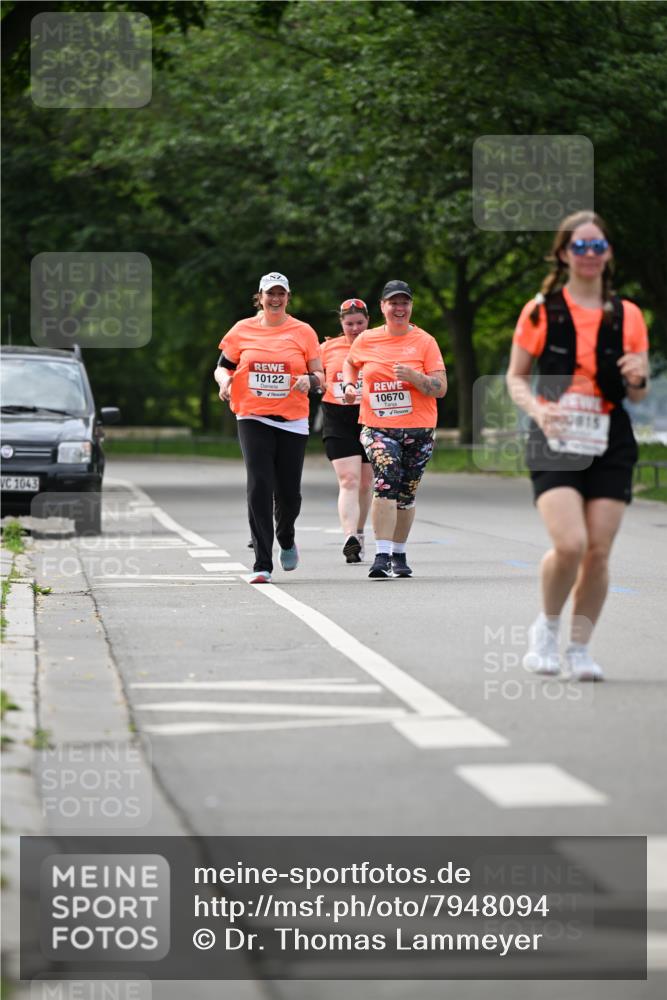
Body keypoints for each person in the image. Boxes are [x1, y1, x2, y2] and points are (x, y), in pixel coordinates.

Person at [507, 211, 649, 680]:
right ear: (565, 253)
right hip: (555, 434)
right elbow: (516, 379)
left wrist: (637, 377)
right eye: (580, 247)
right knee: (570, 544)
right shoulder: (540, 310)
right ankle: (546, 629)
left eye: (598, 246)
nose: (589, 255)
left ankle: (580, 649)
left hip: (610, 437)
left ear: (608, 253)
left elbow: (637, 391)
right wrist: (538, 409)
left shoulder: (627, 314)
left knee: (599, 552)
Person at [214, 272, 324, 584]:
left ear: (288, 297)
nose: (275, 299)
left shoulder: (302, 332)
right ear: (259, 297)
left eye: (281, 294)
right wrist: (225, 382)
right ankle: (262, 561)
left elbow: (321, 375)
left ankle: (286, 537)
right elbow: (223, 366)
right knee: (259, 485)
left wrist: (310, 380)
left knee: (289, 495)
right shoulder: (242, 330)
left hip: (292, 420)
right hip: (252, 415)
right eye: (269, 294)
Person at [342, 280, 447, 579]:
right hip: (379, 427)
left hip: (419, 429)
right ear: (383, 307)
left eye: (404, 303)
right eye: (393, 303)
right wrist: (350, 384)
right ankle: (381, 555)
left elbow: (440, 389)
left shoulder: (425, 342)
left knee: (406, 494)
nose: (399, 308)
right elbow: (351, 363)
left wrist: (415, 376)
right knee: (386, 482)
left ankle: (398, 553)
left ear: (411, 306)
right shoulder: (366, 339)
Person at [321, 298, 374, 563]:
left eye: (360, 323)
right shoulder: (327, 348)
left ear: (368, 321)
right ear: (341, 324)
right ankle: (349, 537)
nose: (355, 328)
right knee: (349, 480)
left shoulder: (379, 344)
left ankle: (360, 532)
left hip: (371, 417)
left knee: (365, 484)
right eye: (349, 324)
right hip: (337, 417)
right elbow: (311, 372)